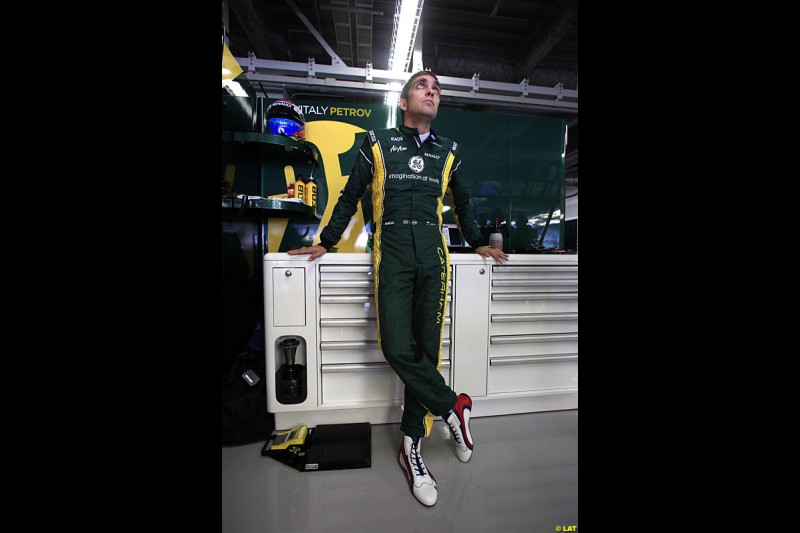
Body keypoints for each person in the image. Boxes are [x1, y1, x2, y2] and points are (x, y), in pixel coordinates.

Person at [288, 70, 509, 506]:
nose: (432, 92)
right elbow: (350, 196)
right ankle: (452, 406)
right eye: (423, 86)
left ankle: (412, 448)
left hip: (434, 253)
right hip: (392, 251)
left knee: (426, 351)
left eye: (437, 89)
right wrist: (325, 241)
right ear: (404, 101)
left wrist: (479, 241)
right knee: (394, 343)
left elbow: (463, 203)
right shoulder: (376, 144)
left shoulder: (450, 152)